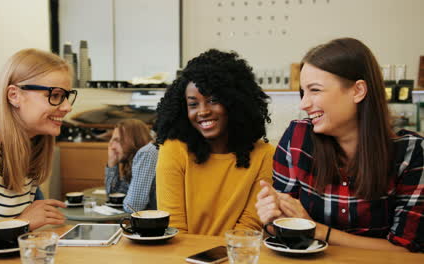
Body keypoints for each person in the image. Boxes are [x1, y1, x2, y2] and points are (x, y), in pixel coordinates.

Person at [256, 38, 424, 252]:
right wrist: (272, 219)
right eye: (303, 92)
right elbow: (281, 231)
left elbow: (404, 250)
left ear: (358, 91)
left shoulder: (411, 152)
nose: (303, 104)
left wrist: (316, 230)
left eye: (315, 90)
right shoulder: (297, 138)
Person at [0, 48, 77, 254]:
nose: (67, 107)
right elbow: (22, 225)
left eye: (67, 96)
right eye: (55, 95)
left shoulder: (29, 146)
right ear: (14, 95)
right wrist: (20, 224)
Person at [154, 49, 275, 236]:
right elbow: (174, 227)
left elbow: (249, 225)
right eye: (193, 104)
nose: (202, 111)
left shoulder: (264, 154)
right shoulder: (174, 150)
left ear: (235, 102)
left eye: (213, 100)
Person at [105, 119, 158, 213]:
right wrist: (112, 163)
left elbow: (133, 207)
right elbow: (115, 196)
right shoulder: (134, 158)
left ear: (133, 139)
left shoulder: (146, 153)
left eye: (117, 140)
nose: (112, 147)